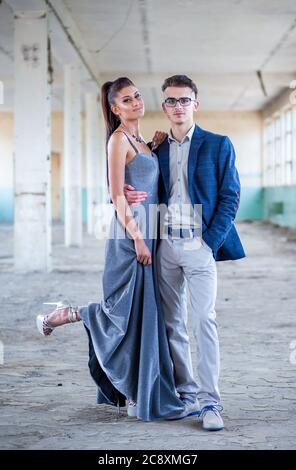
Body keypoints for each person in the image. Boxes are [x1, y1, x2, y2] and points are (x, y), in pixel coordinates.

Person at [36, 77, 200, 422]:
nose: (136, 102)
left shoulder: (142, 141)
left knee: (145, 313)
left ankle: (135, 394)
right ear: (115, 108)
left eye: (138, 96)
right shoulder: (117, 140)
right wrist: (138, 237)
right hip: (132, 234)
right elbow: (117, 194)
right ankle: (62, 315)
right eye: (127, 100)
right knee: (120, 310)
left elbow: (145, 181)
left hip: (152, 229)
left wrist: (153, 149)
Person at [124, 74, 246, 431]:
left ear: (196, 104)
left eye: (184, 100)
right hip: (165, 244)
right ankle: (187, 394)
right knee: (172, 322)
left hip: (199, 242)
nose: (178, 107)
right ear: (164, 107)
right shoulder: (155, 148)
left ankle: (212, 403)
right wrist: (128, 195)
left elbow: (230, 196)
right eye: (171, 101)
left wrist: (210, 240)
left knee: (203, 320)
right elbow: (136, 183)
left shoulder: (218, 144)